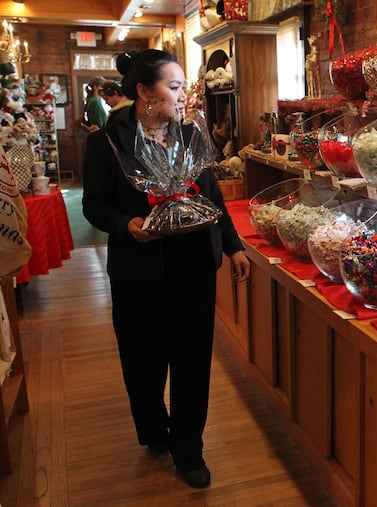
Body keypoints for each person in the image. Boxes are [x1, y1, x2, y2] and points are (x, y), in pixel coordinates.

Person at [81, 49, 250, 489]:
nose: (181, 95)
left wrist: (233, 247)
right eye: (173, 87)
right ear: (143, 92)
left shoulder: (192, 136)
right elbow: (93, 205)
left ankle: (189, 450)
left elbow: (211, 196)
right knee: (143, 361)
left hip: (194, 267)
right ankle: (155, 430)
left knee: (193, 361)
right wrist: (126, 225)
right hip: (139, 269)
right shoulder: (107, 142)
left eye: (182, 87)